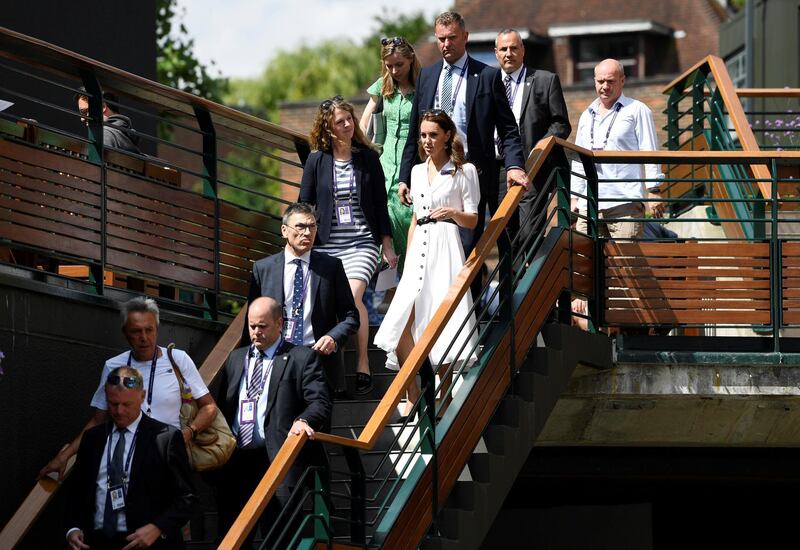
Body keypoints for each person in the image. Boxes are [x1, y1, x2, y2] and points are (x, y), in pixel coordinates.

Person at [397, 12, 528, 262]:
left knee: (468, 249)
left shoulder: (487, 76)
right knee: (435, 250)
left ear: (465, 37)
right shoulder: (427, 75)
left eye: (452, 38)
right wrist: (405, 178)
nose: (446, 44)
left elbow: (509, 129)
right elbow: (415, 130)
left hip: (470, 171)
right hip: (432, 174)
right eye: (441, 39)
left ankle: (472, 299)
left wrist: (514, 166)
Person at [39, 297, 218, 480]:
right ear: (125, 333)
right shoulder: (113, 366)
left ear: (157, 329)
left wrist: (187, 434)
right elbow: (98, 421)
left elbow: (209, 407)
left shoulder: (178, 360)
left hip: (168, 459)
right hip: (127, 462)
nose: (144, 338)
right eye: (136, 331)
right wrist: (64, 456)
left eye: (149, 330)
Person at [374, 110, 480, 418]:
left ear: (447, 135)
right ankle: (413, 391)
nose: (427, 140)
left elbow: (472, 219)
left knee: (442, 319)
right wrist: (404, 260)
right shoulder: (417, 172)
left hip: (446, 247)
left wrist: (452, 213)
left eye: (433, 134)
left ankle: (444, 396)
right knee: (399, 323)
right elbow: (416, 218)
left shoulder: (465, 171)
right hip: (419, 245)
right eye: (423, 135)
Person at [213, 296, 332, 543]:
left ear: (280, 324)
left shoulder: (301, 357)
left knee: (279, 537)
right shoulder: (235, 359)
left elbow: (320, 402)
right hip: (237, 461)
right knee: (232, 536)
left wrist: (304, 421)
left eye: (262, 326)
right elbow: (223, 405)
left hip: (277, 459)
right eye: (251, 326)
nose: (256, 332)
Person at [300, 97, 398, 395]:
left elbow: (381, 205)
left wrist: (387, 245)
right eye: (339, 122)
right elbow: (304, 202)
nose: (347, 125)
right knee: (332, 303)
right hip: (327, 245)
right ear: (328, 128)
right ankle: (337, 369)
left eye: (349, 119)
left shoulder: (367, 158)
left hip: (361, 243)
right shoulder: (317, 160)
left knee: (351, 297)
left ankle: (364, 362)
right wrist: (300, 237)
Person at [65, 367, 196, 550]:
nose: (119, 411)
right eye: (113, 403)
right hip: (97, 541)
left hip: (148, 544)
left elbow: (187, 498)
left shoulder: (166, 438)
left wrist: (158, 527)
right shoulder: (92, 439)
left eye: (127, 404)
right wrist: (73, 528)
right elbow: (77, 490)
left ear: (142, 397)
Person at [247, 202, 359, 398]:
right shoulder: (263, 269)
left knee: (316, 425)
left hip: (318, 359)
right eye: (300, 227)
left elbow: (351, 316)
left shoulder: (331, 267)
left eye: (312, 226)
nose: (307, 232)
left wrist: (334, 337)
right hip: (276, 359)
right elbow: (250, 321)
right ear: (284, 230)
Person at [570, 58, 664, 238]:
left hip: (624, 203)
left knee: (625, 264)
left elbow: (650, 151)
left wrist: (654, 190)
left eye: (610, 81)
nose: (605, 86)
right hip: (588, 204)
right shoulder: (586, 115)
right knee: (584, 263)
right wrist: (574, 198)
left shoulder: (637, 110)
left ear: (622, 80)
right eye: (600, 81)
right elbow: (578, 161)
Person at [493, 28, 571, 244]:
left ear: (523, 50)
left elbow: (561, 124)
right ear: (496, 53)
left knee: (529, 232)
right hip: (497, 169)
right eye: (503, 49)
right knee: (504, 235)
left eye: (514, 48)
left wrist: (539, 150)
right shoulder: (487, 82)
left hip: (532, 168)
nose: (509, 53)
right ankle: (514, 278)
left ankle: (532, 276)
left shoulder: (545, 80)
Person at [360, 36, 421, 275]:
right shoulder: (383, 85)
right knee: (381, 212)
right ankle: (384, 282)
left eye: (399, 65)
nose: (394, 70)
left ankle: (406, 275)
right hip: (384, 162)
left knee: (404, 216)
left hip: (411, 161)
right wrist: (361, 146)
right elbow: (365, 117)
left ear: (410, 60)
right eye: (389, 66)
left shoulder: (422, 86)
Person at [76, 87, 142, 154]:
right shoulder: (124, 136)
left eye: (84, 112)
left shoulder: (105, 134)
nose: (82, 119)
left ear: (103, 107)